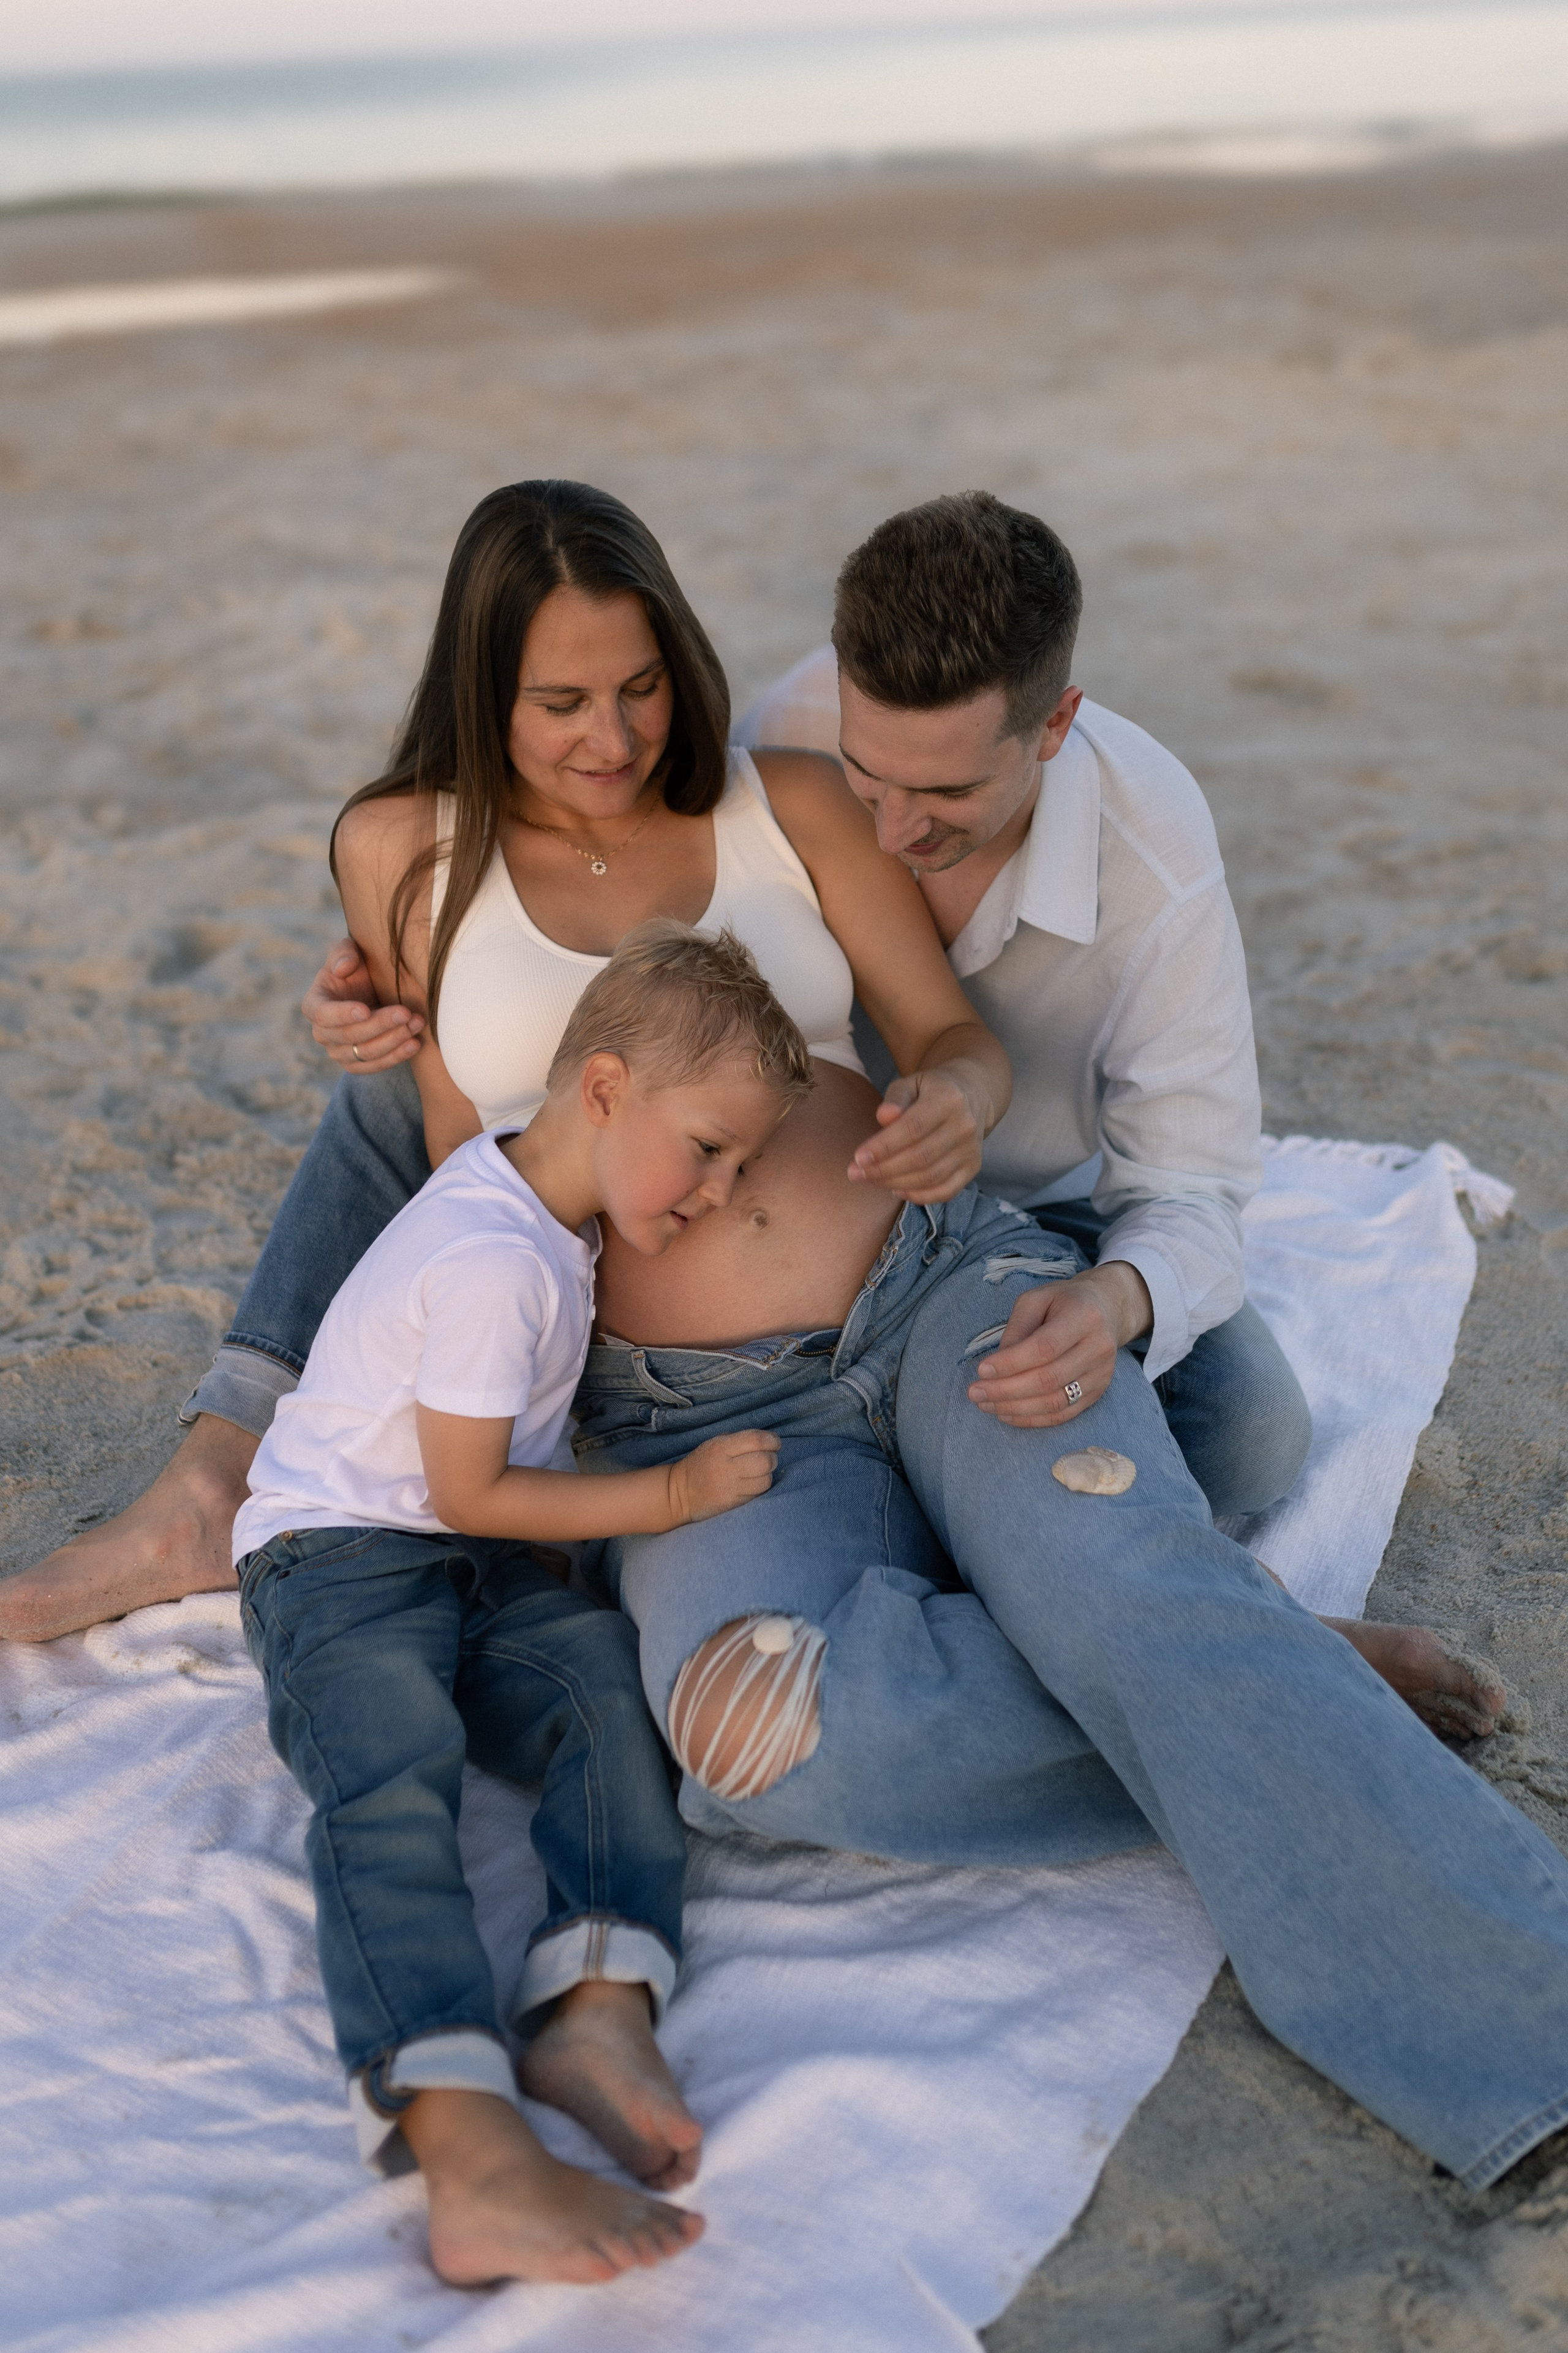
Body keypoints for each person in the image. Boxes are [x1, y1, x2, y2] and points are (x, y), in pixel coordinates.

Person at [1, 483, 1499, 1746]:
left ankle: (1155, 1632)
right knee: (390, 1096)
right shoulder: (758, 743)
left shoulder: (1128, 860)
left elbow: (1172, 1170)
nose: (892, 833)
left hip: (997, 1221)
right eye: (867, 778)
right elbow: (479, 1100)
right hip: (683, 1302)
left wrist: (1070, 1233)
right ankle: (216, 1466)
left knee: (1243, 1430)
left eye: (944, 803)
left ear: (1049, 733)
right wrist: (387, 1008)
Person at [235, 920, 808, 2286]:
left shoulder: (547, 1203)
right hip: (336, 1554)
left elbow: (489, 1512)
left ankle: (594, 1996)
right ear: (602, 1090)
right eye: (710, 1148)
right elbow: (474, 1485)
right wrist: (669, 1500)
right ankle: (463, 2134)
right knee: (390, 1776)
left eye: (741, 1165)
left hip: (463, 1558)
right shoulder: (491, 1255)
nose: (721, 1193)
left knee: (598, 1689)